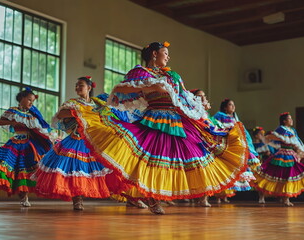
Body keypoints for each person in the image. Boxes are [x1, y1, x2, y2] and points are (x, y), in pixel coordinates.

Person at [75, 42, 248, 214]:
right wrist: (148, 86)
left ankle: (167, 193)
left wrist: (199, 104)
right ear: (154, 54)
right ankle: (152, 198)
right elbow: (121, 89)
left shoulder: (172, 75)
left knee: (192, 153)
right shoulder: (140, 73)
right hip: (153, 118)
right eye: (165, 53)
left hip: (176, 120)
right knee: (151, 159)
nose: (168, 56)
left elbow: (184, 94)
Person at [33, 77, 125, 210]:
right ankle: (77, 200)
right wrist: (80, 112)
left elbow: (109, 113)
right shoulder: (73, 103)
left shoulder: (98, 103)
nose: (77, 88)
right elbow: (61, 114)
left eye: (80, 85)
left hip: (93, 140)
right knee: (75, 168)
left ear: (89, 87)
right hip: (76, 138)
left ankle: (124, 196)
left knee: (93, 169)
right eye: (76, 85)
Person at [0, 87, 52, 207]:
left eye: (33, 101)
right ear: (22, 98)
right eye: (29, 100)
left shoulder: (33, 115)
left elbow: (41, 129)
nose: (31, 103)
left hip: (30, 144)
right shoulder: (13, 111)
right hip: (16, 142)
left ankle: (25, 196)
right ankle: (22, 196)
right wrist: (12, 122)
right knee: (16, 168)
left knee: (28, 169)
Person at [250, 112, 304, 206]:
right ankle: (281, 198)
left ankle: (286, 198)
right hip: (283, 154)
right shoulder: (281, 129)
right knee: (282, 175)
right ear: (284, 121)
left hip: (291, 154)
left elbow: (297, 142)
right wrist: (278, 143)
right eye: (289, 119)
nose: (291, 120)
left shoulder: (292, 130)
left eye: (291, 118)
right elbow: (269, 138)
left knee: (289, 176)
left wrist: (303, 152)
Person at [212, 99, 259, 203]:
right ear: (224, 107)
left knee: (232, 169)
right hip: (225, 145)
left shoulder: (235, 118)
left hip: (235, 145)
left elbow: (243, 133)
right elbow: (214, 126)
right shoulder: (219, 115)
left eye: (233, 105)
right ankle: (218, 194)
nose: (233, 107)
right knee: (223, 168)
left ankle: (223, 195)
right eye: (230, 105)